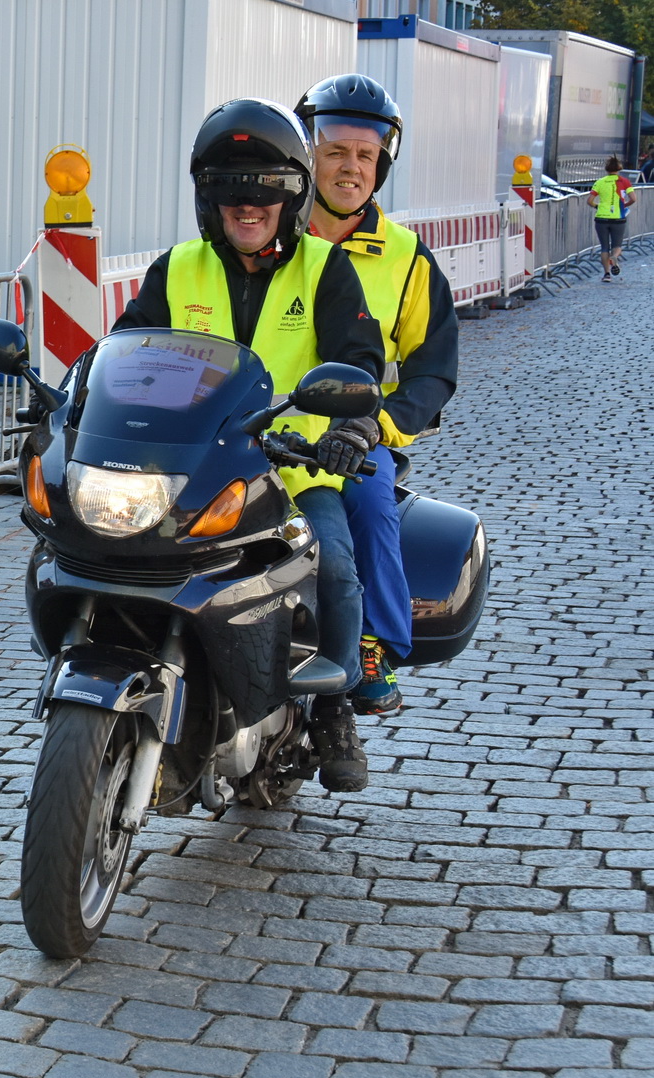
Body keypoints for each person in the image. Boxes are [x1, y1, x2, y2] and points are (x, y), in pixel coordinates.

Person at [111, 98, 386, 792]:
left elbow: (360, 359)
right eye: (231, 188)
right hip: (191, 471)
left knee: (334, 568)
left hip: (293, 470)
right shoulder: (176, 269)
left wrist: (351, 428)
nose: (248, 203)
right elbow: (122, 352)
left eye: (264, 188)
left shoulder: (324, 269)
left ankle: (332, 705)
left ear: (291, 196)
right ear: (210, 198)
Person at [296, 74, 459, 718]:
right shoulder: (265, 234)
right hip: (258, 424)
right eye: (336, 151)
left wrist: (379, 424)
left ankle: (373, 647)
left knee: (368, 502)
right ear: (307, 153)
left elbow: (432, 369)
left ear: (382, 164)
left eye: (366, 156)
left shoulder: (407, 259)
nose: (350, 168)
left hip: (354, 437)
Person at [588, 156, 636, 281]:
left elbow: (590, 201)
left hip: (602, 218)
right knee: (617, 245)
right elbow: (633, 198)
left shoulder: (600, 182)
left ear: (607, 169)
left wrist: (597, 207)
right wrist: (624, 205)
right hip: (618, 218)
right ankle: (614, 257)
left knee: (604, 247)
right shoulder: (624, 181)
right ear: (619, 168)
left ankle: (606, 274)